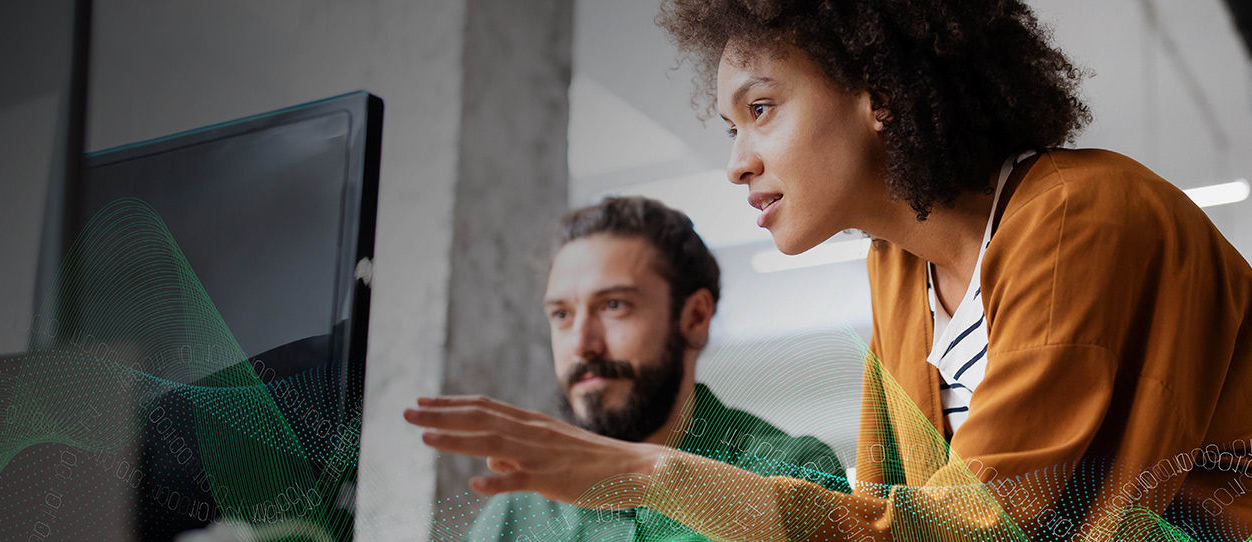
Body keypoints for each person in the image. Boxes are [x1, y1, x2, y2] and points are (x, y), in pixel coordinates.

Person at [406, 1, 1252, 539]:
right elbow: (892, 511)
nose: (738, 162)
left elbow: (990, 524)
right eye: (731, 126)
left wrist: (651, 472)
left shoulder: (1079, 216)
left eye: (761, 110)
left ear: (878, 90)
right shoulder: (898, 266)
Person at [467, 196, 849, 541]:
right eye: (562, 314)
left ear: (695, 317)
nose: (583, 344)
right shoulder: (519, 507)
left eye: (614, 306)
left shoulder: (791, 471)